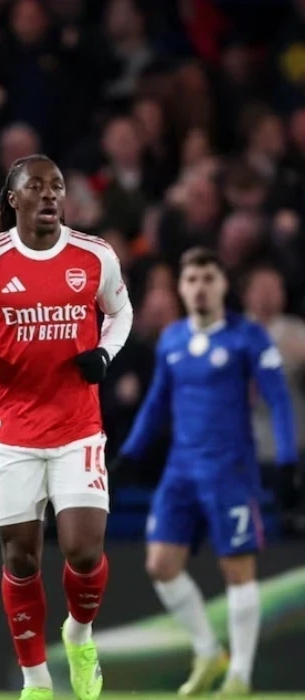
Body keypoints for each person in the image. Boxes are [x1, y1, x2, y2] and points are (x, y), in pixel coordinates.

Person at [0, 155, 133, 700]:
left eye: (57, 186)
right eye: (37, 186)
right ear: (14, 199)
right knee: (21, 558)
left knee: (83, 552)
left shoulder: (96, 255)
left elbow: (120, 314)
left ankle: (79, 634)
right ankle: (36, 680)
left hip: (78, 429)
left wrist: (105, 352)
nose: (50, 194)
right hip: (12, 435)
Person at [114, 247, 300, 697]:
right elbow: (156, 403)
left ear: (223, 285)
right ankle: (209, 651)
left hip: (229, 469)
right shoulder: (173, 339)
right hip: (180, 470)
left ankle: (241, 676)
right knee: (161, 566)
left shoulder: (247, 337)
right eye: (192, 279)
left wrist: (288, 461)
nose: (200, 287)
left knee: (237, 568)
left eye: (208, 278)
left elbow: (278, 399)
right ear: (181, 288)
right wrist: (128, 455)